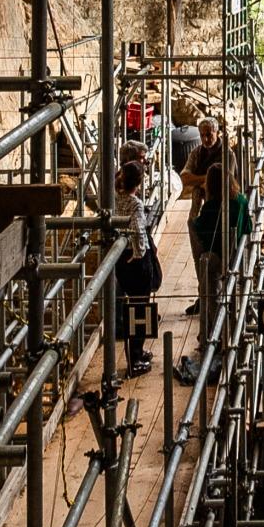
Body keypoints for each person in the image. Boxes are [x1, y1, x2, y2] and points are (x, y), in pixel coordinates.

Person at [113, 160, 163, 377]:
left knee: (131, 306)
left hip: (120, 258)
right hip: (134, 260)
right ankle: (134, 359)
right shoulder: (135, 204)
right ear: (139, 183)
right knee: (140, 307)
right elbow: (138, 231)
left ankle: (138, 352)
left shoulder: (114, 199)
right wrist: (140, 254)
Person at [185, 117, 225, 318]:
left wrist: (198, 181)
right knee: (198, 258)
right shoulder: (196, 153)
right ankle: (203, 298)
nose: (205, 139)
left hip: (218, 213)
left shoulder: (227, 154)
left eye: (209, 134)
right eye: (202, 135)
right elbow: (184, 177)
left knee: (215, 260)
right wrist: (208, 179)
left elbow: (227, 180)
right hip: (197, 213)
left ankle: (214, 304)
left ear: (217, 132)